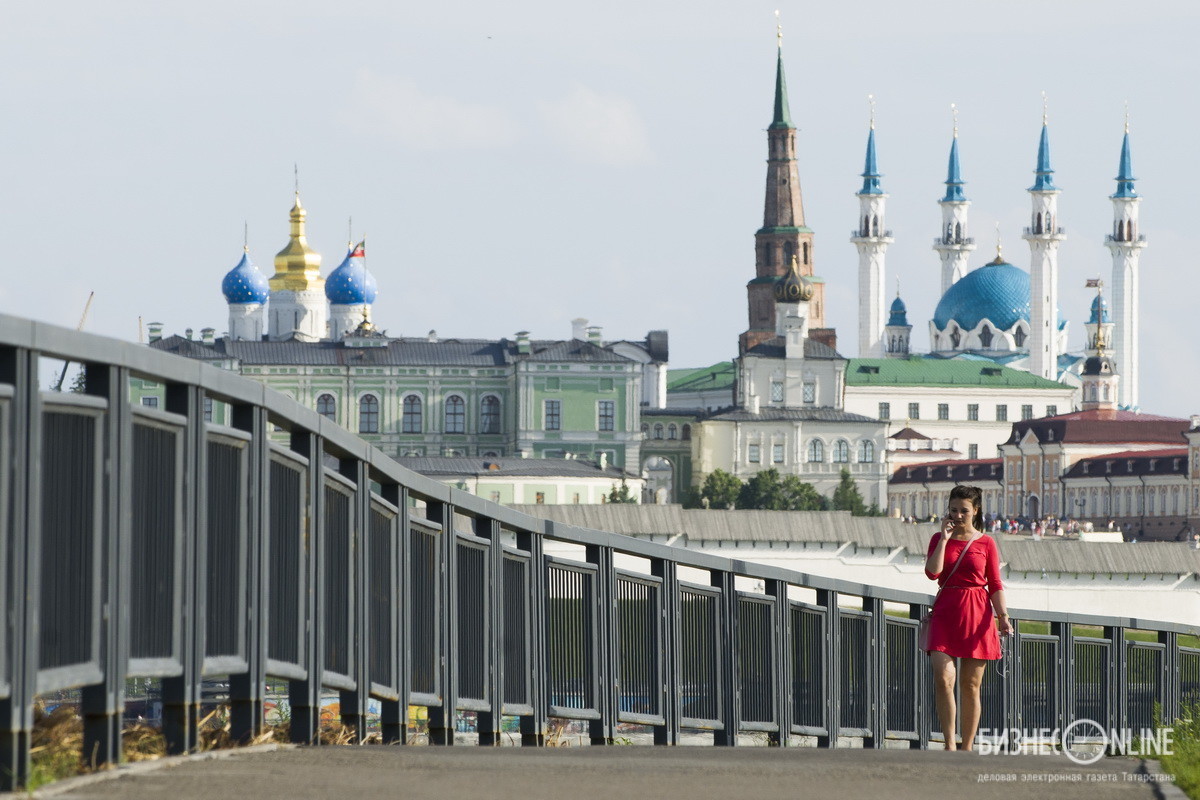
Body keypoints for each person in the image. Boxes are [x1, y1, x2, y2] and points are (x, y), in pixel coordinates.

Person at [923, 485, 1014, 752]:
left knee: (971, 685)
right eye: (953, 510)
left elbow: (995, 583)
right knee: (943, 678)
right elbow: (932, 573)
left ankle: (967, 747)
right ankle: (950, 744)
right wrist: (943, 539)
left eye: (964, 511)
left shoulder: (986, 543)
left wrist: (1003, 616)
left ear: (975, 511)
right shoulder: (938, 539)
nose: (958, 515)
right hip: (946, 612)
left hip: (977, 615)